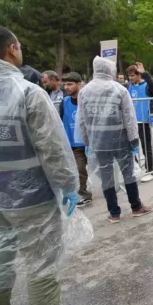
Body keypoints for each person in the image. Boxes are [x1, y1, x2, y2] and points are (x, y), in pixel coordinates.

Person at [0, 26, 93, 305]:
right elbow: (52, 149)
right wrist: (68, 187)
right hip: (32, 200)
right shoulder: (28, 93)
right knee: (41, 266)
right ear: (12, 49)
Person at [79, 57, 153, 223]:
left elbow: (82, 119)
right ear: (109, 70)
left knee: (106, 177)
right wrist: (134, 140)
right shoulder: (119, 90)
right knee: (128, 173)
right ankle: (136, 206)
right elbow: (129, 117)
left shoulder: (85, 91)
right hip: (120, 139)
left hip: (98, 142)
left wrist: (87, 142)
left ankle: (114, 212)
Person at [58, 72, 92, 206]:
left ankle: (112, 189)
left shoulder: (88, 100)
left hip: (91, 142)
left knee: (103, 169)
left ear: (79, 84)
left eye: (70, 84)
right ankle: (85, 194)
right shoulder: (64, 102)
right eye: (65, 84)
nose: (66, 87)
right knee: (79, 170)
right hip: (75, 144)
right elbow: (60, 121)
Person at [127, 62, 153, 182]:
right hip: (131, 122)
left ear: (138, 75)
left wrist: (145, 74)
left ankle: (150, 170)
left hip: (143, 122)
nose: (130, 78)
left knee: (146, 148)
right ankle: (136, 168)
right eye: (129, 76)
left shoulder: (147, 85)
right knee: (131, 147)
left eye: (133, 76)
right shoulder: (129, 86)